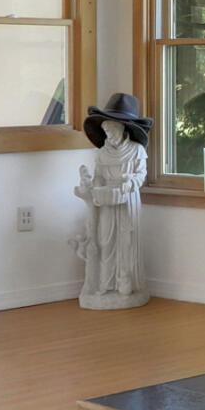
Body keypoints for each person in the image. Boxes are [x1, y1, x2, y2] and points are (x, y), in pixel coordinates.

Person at [73, 93, 152, 310]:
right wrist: (94, 187)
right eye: (106, 131)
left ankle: (125, 282)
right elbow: (98, 176)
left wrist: (129, 183)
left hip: (128, 200)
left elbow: (141, 174)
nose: (108, 134)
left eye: (112, 130)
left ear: (122, 129)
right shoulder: (102, 154)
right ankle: (105, 283)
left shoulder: (136, 150)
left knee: (125, 241)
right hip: (107, 200)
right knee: (106, 240)